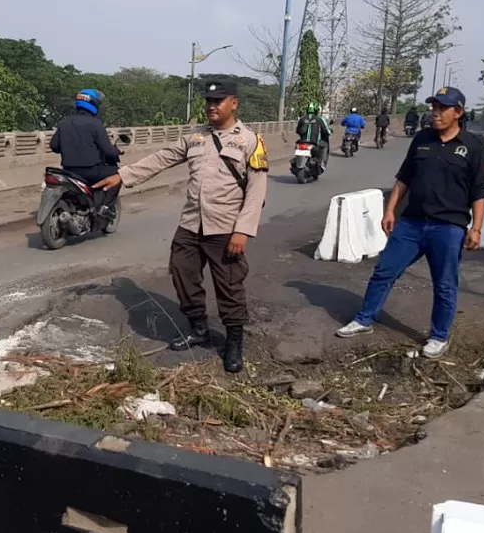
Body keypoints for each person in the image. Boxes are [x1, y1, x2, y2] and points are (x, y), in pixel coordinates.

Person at [95, 80, 267, 373]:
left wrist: (243, 230)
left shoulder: (249, 140)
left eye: (219, 101)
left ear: (234, 104)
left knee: (229, 286)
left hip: (225, 228)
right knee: (183, 275)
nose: (212, 106)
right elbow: (163, 158)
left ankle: (234, 342)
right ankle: (198, 327)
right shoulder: (195, 137)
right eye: (209, 101)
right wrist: (124, 175)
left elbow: (256, 189)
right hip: (191, 224)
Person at [334, 86, 484, 359]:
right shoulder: (422, 139)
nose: (435, 113)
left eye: (442, 108)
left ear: (459, 112)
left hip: (448, 227)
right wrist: (390, 209)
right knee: (384, 271)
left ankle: (439, 336)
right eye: (434, 107)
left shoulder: (473, 147)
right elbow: (404, 177)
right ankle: (364, 319)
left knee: (444, 284)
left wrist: (476, 228)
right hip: (412, 223)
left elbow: (480, 190)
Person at [49, 88, 121, 219]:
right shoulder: (96, 124)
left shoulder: (65, 122)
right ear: (94, 104)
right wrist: (117, 151)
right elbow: (108, 150)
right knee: (117, 176)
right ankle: (105, 207)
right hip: (90, 171)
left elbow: (54, 146)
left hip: (68, 170)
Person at [295, 102, 332, 169]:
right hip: (315, 143)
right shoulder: (320, 119)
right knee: (325, 145)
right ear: (316, 110)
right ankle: (322, 164)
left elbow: (297, 130)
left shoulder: (302, 119)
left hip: (302, 142)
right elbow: (326, 131)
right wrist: (329, 132)